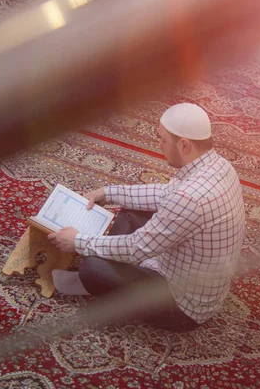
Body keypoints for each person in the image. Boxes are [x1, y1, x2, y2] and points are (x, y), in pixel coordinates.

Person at [48, 103, 245, 331]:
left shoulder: (190, 197)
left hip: (180, 306)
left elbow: (137, 248)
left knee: (91, 269)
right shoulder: (219, 166)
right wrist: (109, 193)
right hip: (182, 269)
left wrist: (77, 242)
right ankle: (113, 263)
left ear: (184, 145)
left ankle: (107, 271)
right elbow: (164, 195)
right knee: (131, 210)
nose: (158, 145)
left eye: (162, 139)